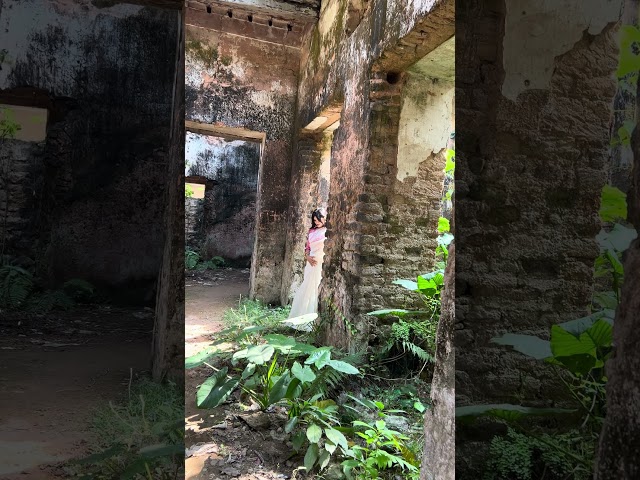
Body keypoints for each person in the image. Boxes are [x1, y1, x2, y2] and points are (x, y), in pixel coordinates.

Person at [286, 209, 327, 329]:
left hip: (321, 263)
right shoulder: (312, 231)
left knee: (317, 289)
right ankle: (301, 319)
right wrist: (308, 257)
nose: (317, 222)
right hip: (311, 264)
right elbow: (307, 247)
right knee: (307, 287)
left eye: (319, 219)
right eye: (315, 220)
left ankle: (315, 322)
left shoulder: (328, 231)